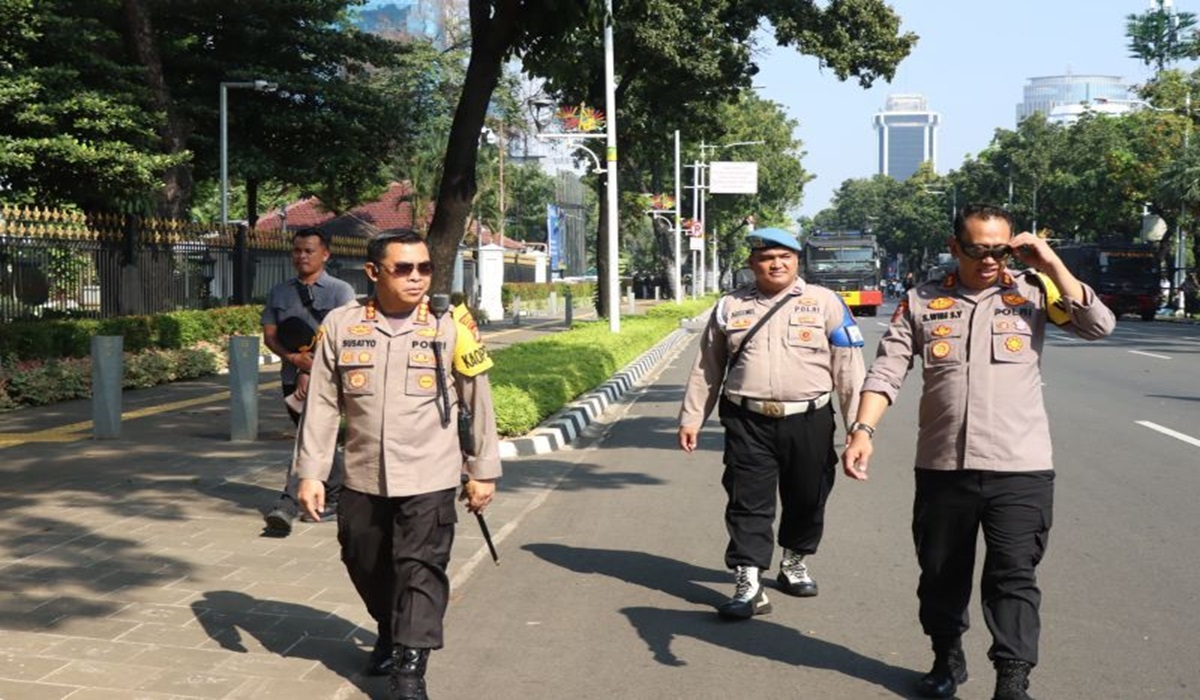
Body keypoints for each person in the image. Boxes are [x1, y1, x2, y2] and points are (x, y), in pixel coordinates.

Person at [841, 204, 1115, 700]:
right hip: (944, 466)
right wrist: (863, 430)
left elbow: (1098, 326)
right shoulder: (922, 301)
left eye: (1000, 250)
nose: (989, 260)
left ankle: (1013, 679)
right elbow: (886, 371)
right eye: (976, 249)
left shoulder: (1033, 293)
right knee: (942, 571)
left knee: (1014, 575)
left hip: (1021, 467)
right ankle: (946, 659)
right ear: (954, 247)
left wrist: (1050, 262)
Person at [294, 228, 501, 700]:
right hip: (364, 473)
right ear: (373, 272)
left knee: (420, 568)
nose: (417, 278)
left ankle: (409, 671)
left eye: (424, 268)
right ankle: (388, 627)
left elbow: (478, 400)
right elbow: (323, 404)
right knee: (362, 557)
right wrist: (310, 472)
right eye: (403, 268)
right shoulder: (342, 326)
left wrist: (482, 470)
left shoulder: (451, 325)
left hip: (431, 473)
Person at [678, 227, 866, 620]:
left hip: (810, 419)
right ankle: (748, 581)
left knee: (808, 496)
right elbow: (708, 366)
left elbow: (848, 368)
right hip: (748, 419)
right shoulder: (730, 306)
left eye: (785, 257)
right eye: (766, 258)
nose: (776, 264)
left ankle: (794, 560)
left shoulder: (825, 302)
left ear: (798, 261)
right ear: (752, 263)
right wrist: (692, 417)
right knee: (747, 500)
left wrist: (858, 427)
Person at [261, 228, 356, 536]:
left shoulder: (341, 292)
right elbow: (271, 336)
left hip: (328, 380)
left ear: (325, 254)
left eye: (309, 251)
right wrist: (293, 360)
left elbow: (343, 335)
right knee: (316, 439)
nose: (301, 256)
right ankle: (339, 492)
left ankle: (287, 505)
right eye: (297, 250)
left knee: (308, 437)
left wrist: (310, 369)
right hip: (291, 379)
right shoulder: (279, 292)